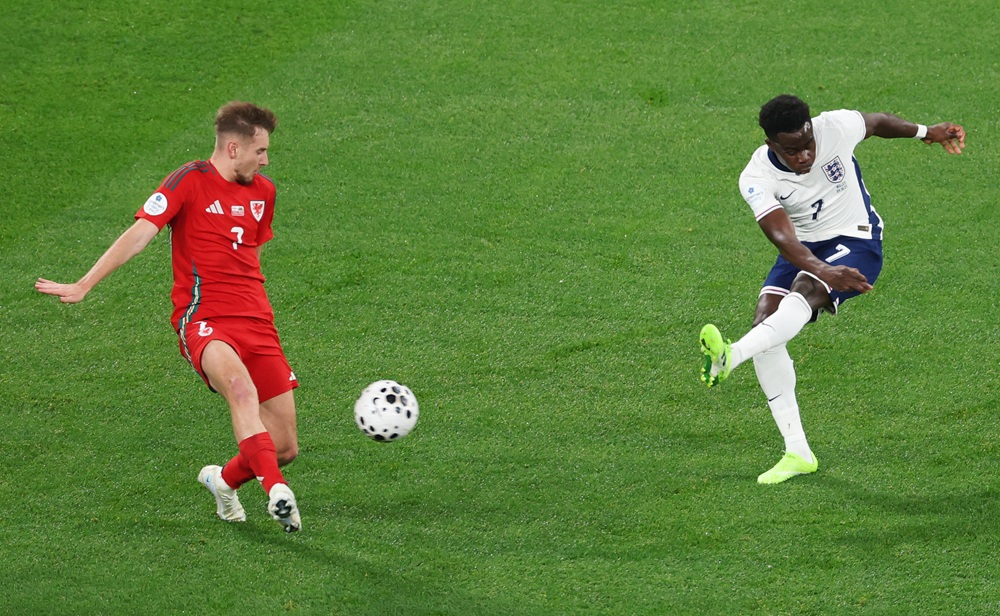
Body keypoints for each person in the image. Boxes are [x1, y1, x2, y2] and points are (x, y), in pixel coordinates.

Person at [36, 101, 302, 531]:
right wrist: (84, 284)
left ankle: (223, 481)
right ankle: (277, 489)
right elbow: (140, 233)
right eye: (261, 151)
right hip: (204, 319)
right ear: (233, 148)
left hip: (257, 322)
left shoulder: (264, 192)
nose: (266, 159)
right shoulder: (189, 180)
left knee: (285, 444)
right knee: (239, 389)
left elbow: (252, 252)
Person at [699, 94, 965, 484]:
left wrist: (926, 132)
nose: (805, 155)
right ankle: (798, 452)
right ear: (771, 144)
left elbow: (877, 122)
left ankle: (731, 356)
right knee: (766, 323)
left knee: (803, 293)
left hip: (856, 238)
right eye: (793, 151)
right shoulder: (756, 177)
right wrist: (825, 268)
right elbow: (781, 238)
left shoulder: (834, 127)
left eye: (808, 145)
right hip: (803, 247)